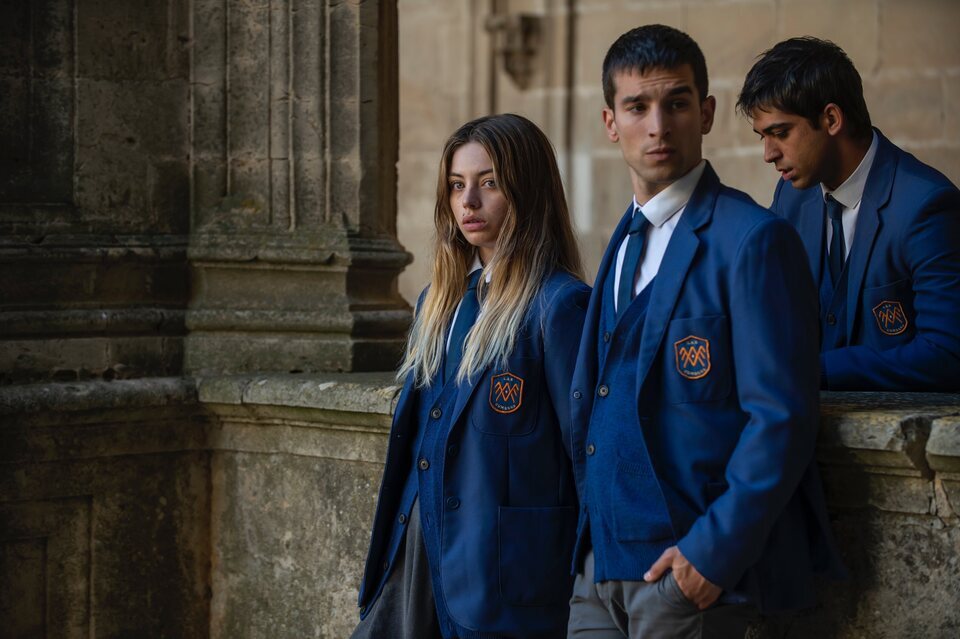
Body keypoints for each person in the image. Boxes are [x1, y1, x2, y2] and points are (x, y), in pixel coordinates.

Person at [566, 25, 844, 639]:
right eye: (638, 107)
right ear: (612, 123)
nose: (658, 125)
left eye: (678, 103)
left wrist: (709, 559)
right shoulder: (618, 245)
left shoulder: (753, 240)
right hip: (597, 572)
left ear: (707, 112)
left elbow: (782, 417)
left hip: (687, 579)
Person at [353, 113, 589, 639]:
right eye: (458, 186)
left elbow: (585, 451)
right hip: (416, 549)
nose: (469, 203)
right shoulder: (437, 304)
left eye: (489, 184)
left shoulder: (559, 306)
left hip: (503, 573)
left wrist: (593, 576)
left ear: (526, 191)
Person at [737, 36, 960, 391]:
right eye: (762, 136)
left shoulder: (927, 206)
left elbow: (947, 353)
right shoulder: (791, 196)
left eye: (780, 133)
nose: (768, 154)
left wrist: (817, 370)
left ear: (831, 118)